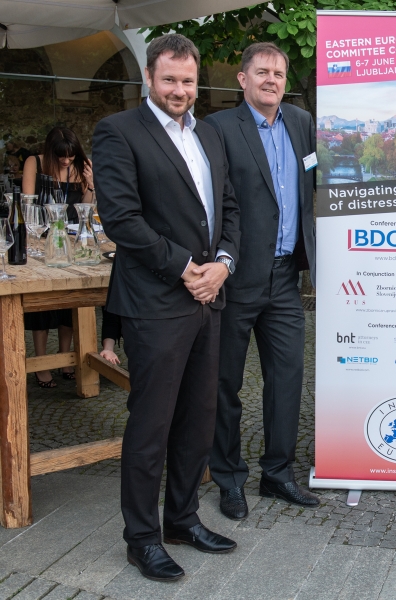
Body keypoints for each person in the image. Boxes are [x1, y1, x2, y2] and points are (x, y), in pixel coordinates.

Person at [92, 33, 241, 582]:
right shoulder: (118, 131)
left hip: (209, 297)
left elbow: (229, 208)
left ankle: (181, 519)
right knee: (151, 425)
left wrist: (222, 263)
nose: (180, 90)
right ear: (149, 79)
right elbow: (121, 218)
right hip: (156, 301)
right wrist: (185, 268)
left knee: (199, 419)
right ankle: (141, 539)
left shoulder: (209, 133)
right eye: (170, 79)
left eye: (188, 81)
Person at [205, 42, 319, 519]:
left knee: (288, 379)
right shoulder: (218, 128)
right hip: (236, 278)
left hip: (286, 277)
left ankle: (277, 474)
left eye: (278, 73)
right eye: (262, 72)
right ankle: (229, 478)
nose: (271, 80)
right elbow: (213, 200)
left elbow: (313, 188)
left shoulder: (301, 122)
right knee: (224, 384)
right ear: (242, 79)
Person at [21, 127, 95, 387]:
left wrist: (92, 184)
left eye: (70, 156)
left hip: (71, 241)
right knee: (42, 306)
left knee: (69, 304)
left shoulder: (82, 166)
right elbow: (28, 205)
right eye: (61, 156)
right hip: (42, 240)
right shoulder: (35, 162)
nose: (66, 161)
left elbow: (86, 207)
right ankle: (41, 363)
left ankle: (66, 359)